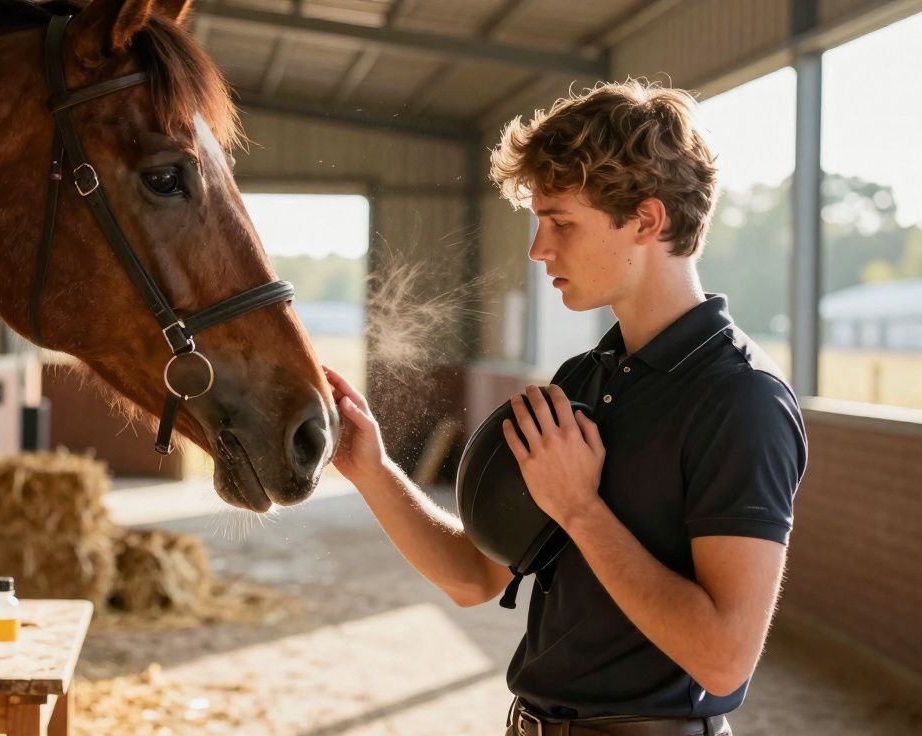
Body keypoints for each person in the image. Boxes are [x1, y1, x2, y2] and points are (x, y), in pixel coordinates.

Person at [323, 79, 807, 736]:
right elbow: (474, 576)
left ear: (646, 219)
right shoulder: (582, 378)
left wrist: (581, 510)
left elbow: (723, 661)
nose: (538, 249)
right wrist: (371, 468)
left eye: (560, 222)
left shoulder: (741, 398)